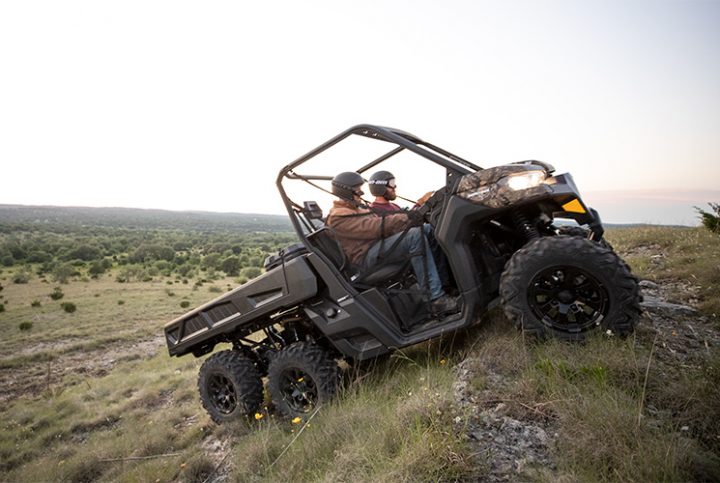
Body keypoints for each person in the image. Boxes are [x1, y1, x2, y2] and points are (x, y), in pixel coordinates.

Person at [325, 171, 457, 314]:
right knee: (414, 236)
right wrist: (405, 217)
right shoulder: (338, 216)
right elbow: (375, 227)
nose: (361, 193)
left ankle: (445, 285)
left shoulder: (356, 208)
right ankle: (435, 299)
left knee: (426, 229)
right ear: (347, 192)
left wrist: (411, 219)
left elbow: (383, 224)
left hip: (377, 247)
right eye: (358, 190)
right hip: (366, 258)